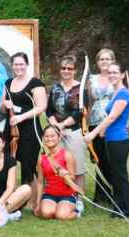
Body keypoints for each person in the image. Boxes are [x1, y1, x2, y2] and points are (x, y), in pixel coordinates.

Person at [85, 62, 129, 219]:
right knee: (115, 174)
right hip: (112, 139)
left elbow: (113, 116)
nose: (112, 74)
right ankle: (119, 206)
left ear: (122, 75)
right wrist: (104, 131)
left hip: (119, 141)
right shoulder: (116, 92)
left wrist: (93, 134)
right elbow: (112, 117)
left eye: (115, 72)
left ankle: (125, 210)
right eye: (110, 72)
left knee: (119, 175)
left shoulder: (123, 94)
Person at [0, 52, 47, 209]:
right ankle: (11, 198)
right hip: (10, 130)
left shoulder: (35, 83)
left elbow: (41, 107)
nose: (18, 67)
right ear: (11, 66)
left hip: (29, 130)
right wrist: (5, 105)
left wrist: (21, 117)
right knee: (8, 162)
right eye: (15, 64)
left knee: (28, 165)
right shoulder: (8, 83)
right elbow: (1, 108)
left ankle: (32, 200)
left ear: (26, 65)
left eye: (21, 64)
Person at [46, 54, 88, 213]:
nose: (66, 71)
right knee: (56, 166)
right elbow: (49, 110)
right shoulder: (55, 87)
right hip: (56, 133)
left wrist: (63, 125)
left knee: (77, 168)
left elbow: (80, 112)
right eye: (63, 68)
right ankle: (59, 197)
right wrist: (55, 125)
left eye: (69, 69)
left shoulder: (80, 88)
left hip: (73, 132)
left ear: (75, 71)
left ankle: (78, 199)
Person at [88, 48, 116, 203]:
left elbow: (128, 98)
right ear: (97, 62)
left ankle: (116, 193)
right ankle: (101, 195)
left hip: (113, 123)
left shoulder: (118, 76)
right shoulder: (91, 79)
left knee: (112, 158)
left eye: (108, 59)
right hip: (94, 124)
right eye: (101, 59)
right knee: (99, 159)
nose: (104, 62)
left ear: (113, 60)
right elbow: (88, 103)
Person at [34, 125, 79, 220]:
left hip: (67, 195)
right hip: (50, 195)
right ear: (43, 138)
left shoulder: (67, 155)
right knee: (46, 214)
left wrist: (65, 175)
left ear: (59, 138)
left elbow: (73, 179)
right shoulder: (41, 158)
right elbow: (40, 182)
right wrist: (38, 203)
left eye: (53, 136)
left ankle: (76, 211)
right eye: (47, 136)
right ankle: (56, 207)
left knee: (61, 216)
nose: (50, 138)